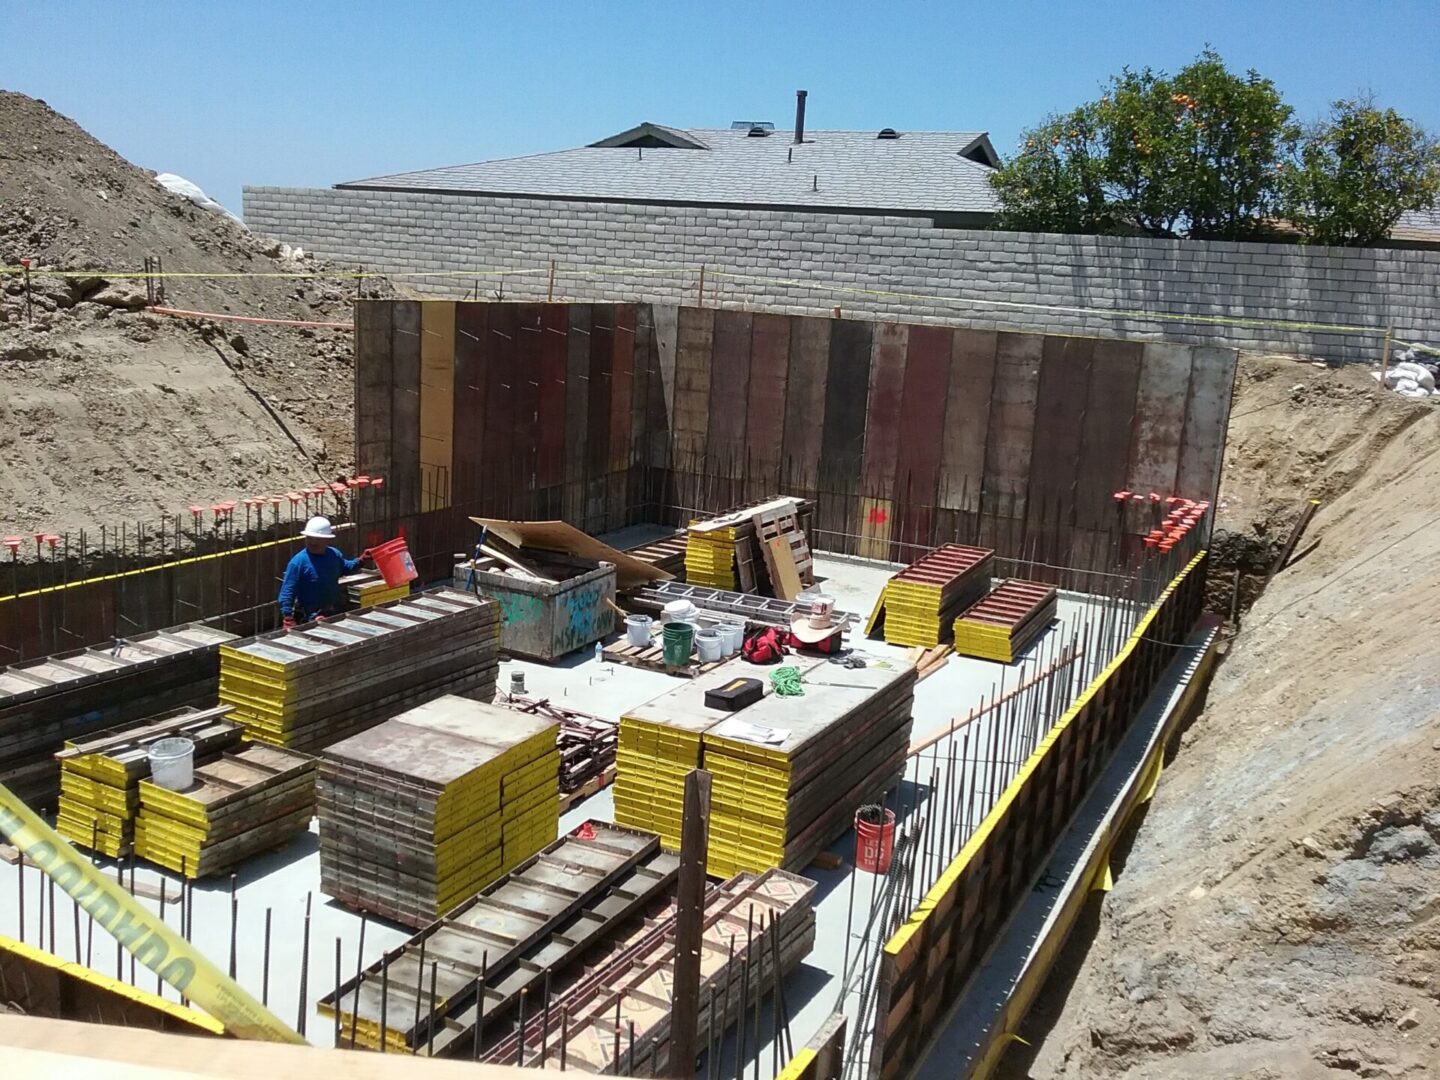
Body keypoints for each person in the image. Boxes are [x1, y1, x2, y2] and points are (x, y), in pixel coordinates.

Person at [278, 517, 370, 627]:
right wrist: (288, 618)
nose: (313, 542)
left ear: (327, 539)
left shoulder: (333, 555)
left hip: (333, 611)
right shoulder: (298, 563)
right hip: (309, 617)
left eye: (317, 539)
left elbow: (346, 567)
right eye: (309, 538)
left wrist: (361, 560)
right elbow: (287, 592)